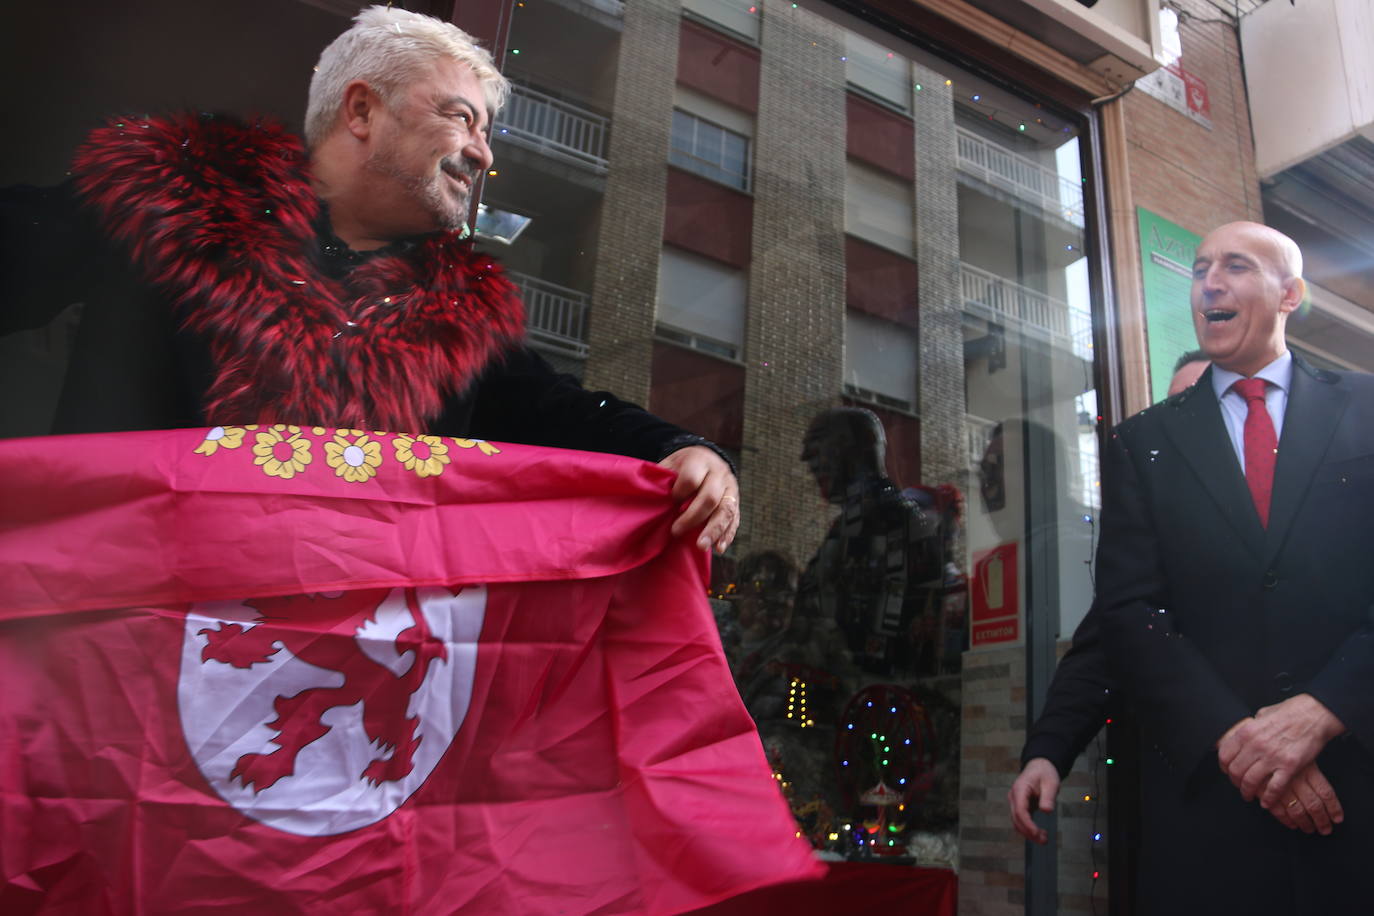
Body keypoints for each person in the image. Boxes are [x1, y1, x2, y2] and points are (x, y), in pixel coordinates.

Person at [0, 6, 738, 554]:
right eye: (462, 118)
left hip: (330, 699)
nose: (483, 155)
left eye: (486, 131)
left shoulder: (459, 316)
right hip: (122, 658)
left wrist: (678, 450)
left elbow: (559, 411)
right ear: (361, 110)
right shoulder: (170, 201)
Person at [1083, 221, 1374, 914]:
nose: (1210, 282)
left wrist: (1327, 708)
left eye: (1236, 266)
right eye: (1200, 268)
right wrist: (1239, 740)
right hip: (1209, 807)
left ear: (1290, 294)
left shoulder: (1367, 406)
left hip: (1356, 787)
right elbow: (1129, 610)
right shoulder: (1140, 442)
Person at [1008, 350, 1215, 842]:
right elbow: (1105, 644)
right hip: (1186, 798)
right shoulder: (1156, 530)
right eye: (1176, 407)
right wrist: (1046, 752)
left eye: (1201, 404)